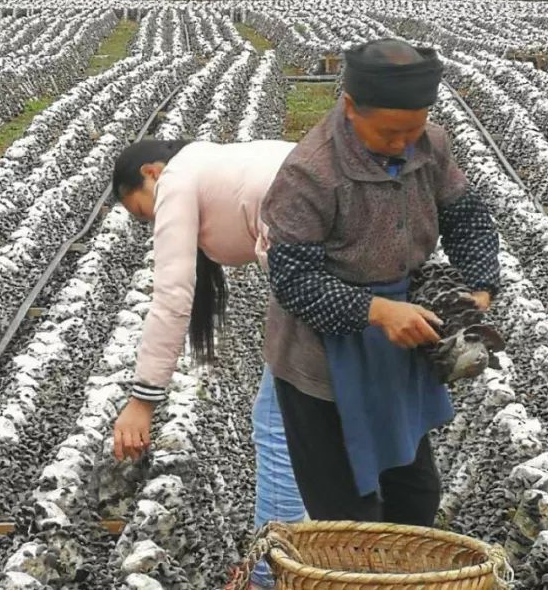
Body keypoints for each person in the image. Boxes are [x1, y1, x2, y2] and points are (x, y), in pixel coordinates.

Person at [260, 38, 501, 525]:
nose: (404, 144)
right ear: (350, 107)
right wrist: (375, 311)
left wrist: (480, 285)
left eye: (414, 130)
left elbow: (466, 216)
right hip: (323, 359)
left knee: (415, 495)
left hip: (397, 345)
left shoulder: (429, 145)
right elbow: (294, 279)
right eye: (390, 133)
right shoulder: (310, 173)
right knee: (348, 514)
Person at [110, 138, 306, 587]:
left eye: (143, 212)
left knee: (278, 425)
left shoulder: (177, 179)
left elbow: (172, 295)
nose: (153, 221)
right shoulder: (223, 161)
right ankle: (340, 546)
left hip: (318, 274)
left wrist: (143, 398)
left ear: (151, 173)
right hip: (356, 262)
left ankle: (268, 576)